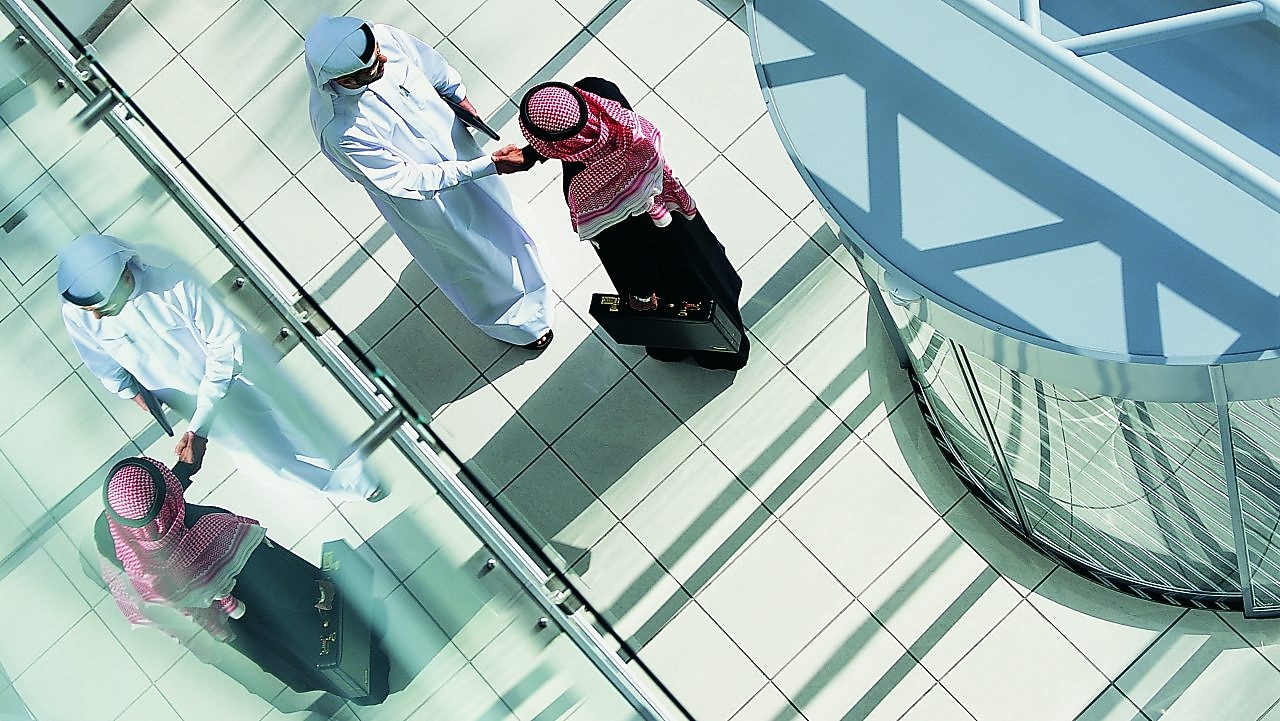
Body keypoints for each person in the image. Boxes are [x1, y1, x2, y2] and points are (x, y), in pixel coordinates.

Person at [57, 234, 382, 501]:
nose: (97, 318)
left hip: (238, 376)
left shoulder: (173, 281)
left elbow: (224, 349)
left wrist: (199, 426)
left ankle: (355, 472)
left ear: (126, 275)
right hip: (191, 399)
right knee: (263, 464)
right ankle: (347, 487)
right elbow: (98, 356)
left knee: (296, 425)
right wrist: (127, 390)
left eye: (103, 307)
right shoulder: (79, 313)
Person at [304, 15, 554, 351]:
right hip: (428, 199)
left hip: (461, 152)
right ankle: (515, 319)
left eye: (378, 53)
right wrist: (487, 166)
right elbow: (405, 179)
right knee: (470, 252)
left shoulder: (384, 41)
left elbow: (432, 67)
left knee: (499, 210)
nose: (384, 60)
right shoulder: (339, 129)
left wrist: (459, 98)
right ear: (342, 81)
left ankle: (525, 258)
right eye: (370, 69)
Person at [94, 456, 386, 702]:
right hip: (286, 612)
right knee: (336, 644)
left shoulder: (126, 548)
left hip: (238, 629)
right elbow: (288, 592)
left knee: (296, 658)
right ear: (168, 498)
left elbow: (154, 511)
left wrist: (184, 468)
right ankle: (368, 678)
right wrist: (324, 593)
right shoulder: (215, 534)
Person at [513, 77, 750, 370]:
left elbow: (622, 250)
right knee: (702, 268)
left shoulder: (588, 189)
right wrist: (532, 154)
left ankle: (711, 353)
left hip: (646, 253)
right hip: (672, 215)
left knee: (675, 301)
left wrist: (639, 293)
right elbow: (578, 132)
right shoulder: (599, 95)